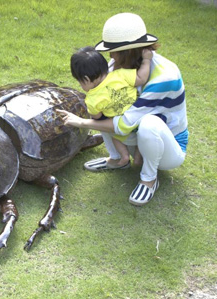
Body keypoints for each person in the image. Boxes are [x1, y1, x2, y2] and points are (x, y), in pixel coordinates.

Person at [58, 12, 188, 206]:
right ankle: (118, 158)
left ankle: (149, 178)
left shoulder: (165, 77)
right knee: (108, 102)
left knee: (149, 124)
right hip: (135, 134)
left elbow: (127, 122)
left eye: (115, 51)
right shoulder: (116, 66)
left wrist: (81, 122)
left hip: (168, 144)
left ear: (130, 51)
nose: (110, 56)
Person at [70, 46, 153, 167]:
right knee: (136, 138)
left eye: (79, 81)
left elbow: (97, 116)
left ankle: (123, 157)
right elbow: (141, 78)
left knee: (114, 136)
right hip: (140, 122)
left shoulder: (92, 99)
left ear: (86, 79)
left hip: (122, 129)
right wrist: (147, 60)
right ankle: (138, 156)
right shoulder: (121, 74)